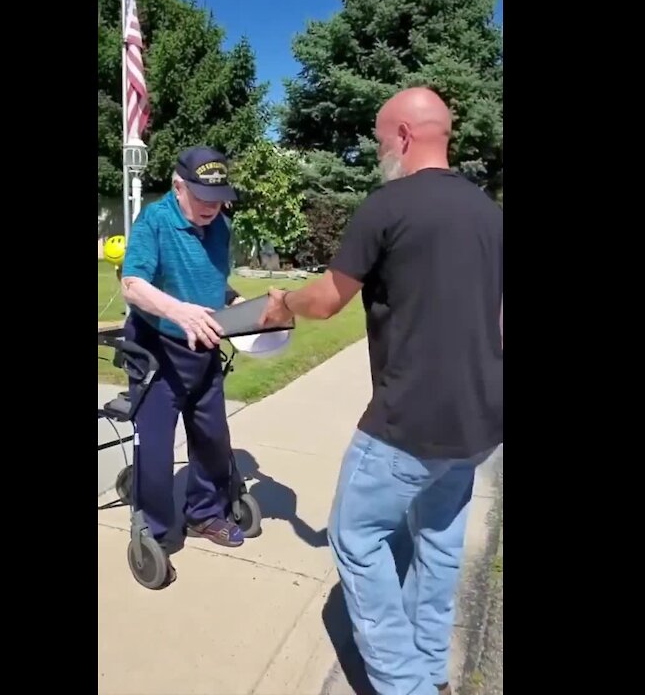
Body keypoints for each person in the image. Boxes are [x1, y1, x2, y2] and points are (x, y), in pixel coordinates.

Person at [258, 88, 503, 695]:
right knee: (439, 542)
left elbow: (329, 297)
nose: (377, 154)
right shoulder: (490, 214)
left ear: (400, 135)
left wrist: (282, 302)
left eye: (377, 140)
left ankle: (402, 685)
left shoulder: (387, 206)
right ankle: (429, 672)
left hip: (405, 422)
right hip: (477, 424)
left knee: (357, 536)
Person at [120, 145, 248, 587]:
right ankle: (154, 529)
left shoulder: (220, 226)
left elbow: (212, 282)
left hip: (203, 349)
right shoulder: (155, 221)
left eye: (218, 198)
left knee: (213, 437)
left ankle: (205, 513)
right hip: (157, 350)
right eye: (202, 197)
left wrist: (236, 305)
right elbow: (133, 285)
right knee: (155, 448)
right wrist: (179, 311)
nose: (212, 207)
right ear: (178, 187)